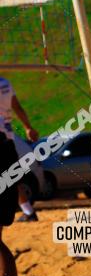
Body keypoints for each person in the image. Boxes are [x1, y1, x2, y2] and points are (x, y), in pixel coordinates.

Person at [0, 76, 40, 222]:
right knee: (11, 181)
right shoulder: (5, 83)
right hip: (8, 140)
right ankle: (28, 211)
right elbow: (17, 107)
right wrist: (28, 127)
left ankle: (28, 211)